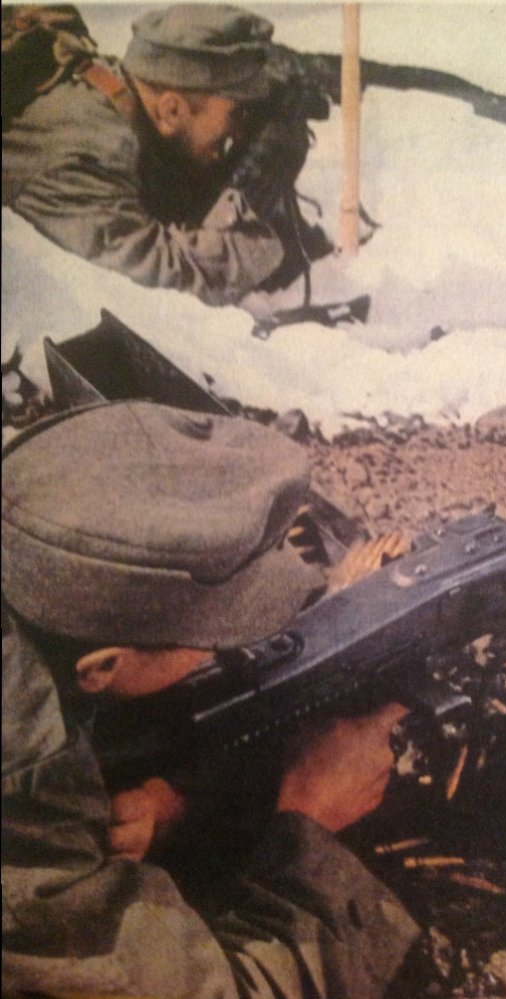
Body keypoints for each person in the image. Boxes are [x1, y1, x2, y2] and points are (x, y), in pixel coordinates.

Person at [2, 400, 420, 998]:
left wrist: (175, 806)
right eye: (215, 636)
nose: (227, 646)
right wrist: (309, 825)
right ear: (102, 667)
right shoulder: (19, 788)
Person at [2, 3, 329, 306]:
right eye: (237, 114)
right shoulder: (87, 154)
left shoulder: (124, 93)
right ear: (172, 109)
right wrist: (255, 230)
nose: (239, 132)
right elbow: (158, 280)